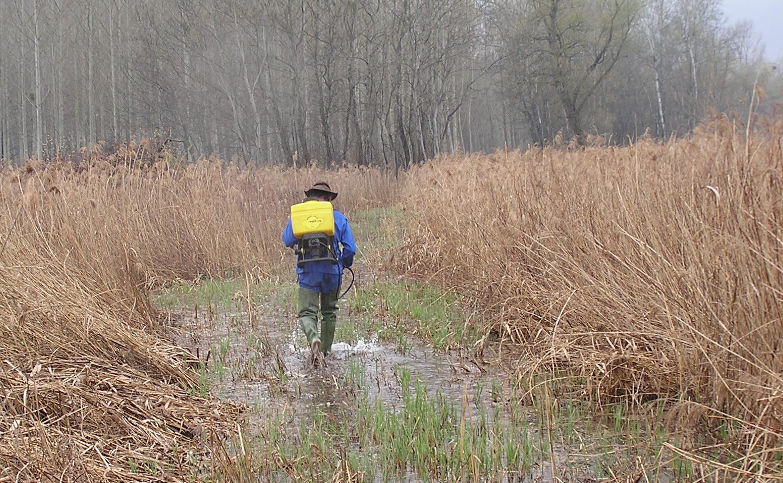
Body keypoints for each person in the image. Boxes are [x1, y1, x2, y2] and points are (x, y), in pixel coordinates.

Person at [282, 182, 356, 367]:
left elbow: (287, 240)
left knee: (307, 312)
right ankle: (325, 353)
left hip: (308, 272)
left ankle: (314, 338)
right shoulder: (338, 218)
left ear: (312, 196)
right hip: (333, 272)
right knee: (329, 312)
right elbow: (350, 248)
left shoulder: (298, 216)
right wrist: (344, 263)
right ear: (328, 198)